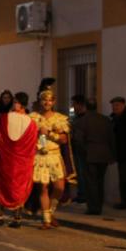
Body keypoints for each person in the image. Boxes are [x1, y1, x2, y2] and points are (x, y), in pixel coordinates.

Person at [0, 92, 38, 228]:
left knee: (0, 184)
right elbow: (33, 145)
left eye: (15, 101)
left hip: (5, 160)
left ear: (18, 103)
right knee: (19, 188)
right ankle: (17, 218)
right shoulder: (32, 123)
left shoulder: (4, 118)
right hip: (22, 163)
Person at [29, 88, 74, 229]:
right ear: (40, 101)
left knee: (59, 188)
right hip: (39, 156)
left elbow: (64, 139)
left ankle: (50, 211)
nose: (46, 103)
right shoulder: (33, 117)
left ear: (53, 102)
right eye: (44, 100)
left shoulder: (60, 118)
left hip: (54, 156)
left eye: (49, 100)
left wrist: (48, 133)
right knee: (43, 188)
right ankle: (46, 220)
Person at [72, 98, 115, 215]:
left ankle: (93, 207)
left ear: (85, 106)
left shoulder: (82, 121)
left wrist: (84, 152)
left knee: (90, 182)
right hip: (104, 154)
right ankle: (99, 205)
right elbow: (111, 138)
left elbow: (78, 140)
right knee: (100, 181)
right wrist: (112, 154)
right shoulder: (105, 120)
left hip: (89, 154)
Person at [71, 95, 88, 203]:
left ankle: (83, 194)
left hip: (82, 149)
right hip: (77, 148)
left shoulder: (84, 118)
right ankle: (81, 193)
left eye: (74, 104)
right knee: (79, 172)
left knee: (82, 173)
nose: (73, 107)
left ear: (79, 105)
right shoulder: (77, 118)